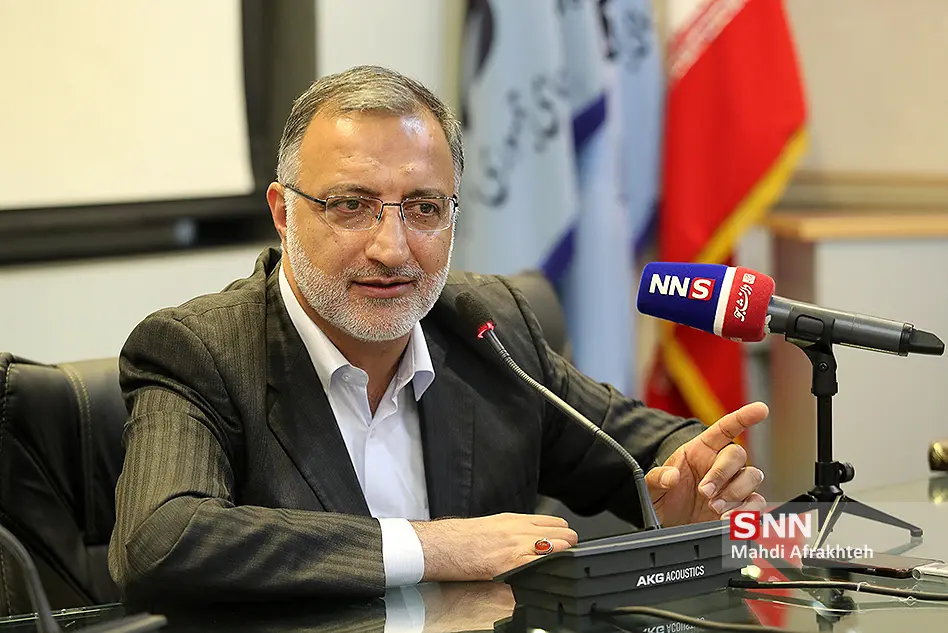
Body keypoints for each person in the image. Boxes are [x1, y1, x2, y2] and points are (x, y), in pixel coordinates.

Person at [108, 65, 767, 603]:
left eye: (424, 209)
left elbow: (644, 447)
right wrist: (431, 545)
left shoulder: (488, 326)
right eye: (351, 205)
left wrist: (696, 479)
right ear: (284, 214)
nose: (392, 249)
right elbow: (162, 538)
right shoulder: (198, 350)